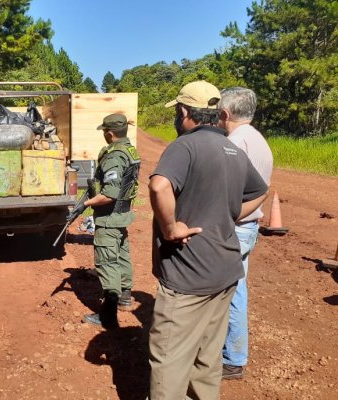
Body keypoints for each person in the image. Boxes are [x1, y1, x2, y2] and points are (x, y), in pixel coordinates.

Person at [148, 81, 268, 399]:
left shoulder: (185, 145)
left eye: (177, 111)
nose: (177, 117)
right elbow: (260, 191)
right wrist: (228, 216)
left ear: (185, 112)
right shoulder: (232, 148)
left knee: (169, 360)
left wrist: (171, 228)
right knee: (207, 357)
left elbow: (160, 187)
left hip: (189, 275)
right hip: (225, 270)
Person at [218, 87, 273, 379]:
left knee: (229, 291)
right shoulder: (258, 139)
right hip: (248, 226)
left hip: (235, 225)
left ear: (225, 114)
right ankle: (233, 354)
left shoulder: (235, 142)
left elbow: (227, 191)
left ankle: (232, 357)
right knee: (237, 289)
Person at [81, 114, 141, 329]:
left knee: (107, 263)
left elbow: (109, 194)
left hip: (109, 216)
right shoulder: (130, 150)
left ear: (109, 133)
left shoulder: (115, 155)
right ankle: (125, 298)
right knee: (122, 256)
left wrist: (86, 204)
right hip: (122, 215)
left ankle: (108, 315)